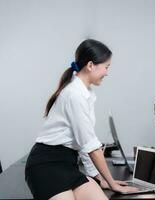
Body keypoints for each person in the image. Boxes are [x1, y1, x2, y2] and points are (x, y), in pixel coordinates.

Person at [25, 39, 138, 200]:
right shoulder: (74, 95)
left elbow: (84, 143)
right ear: (91, 65)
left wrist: (100, 178)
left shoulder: (86, 94)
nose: (107, 72)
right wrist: (112, 183)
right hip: (45, 165)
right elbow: (90, 146)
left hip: (68, 164)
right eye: (106, 67)